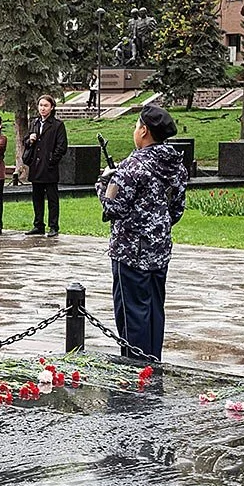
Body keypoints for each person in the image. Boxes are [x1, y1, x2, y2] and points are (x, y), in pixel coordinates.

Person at [99, 102, 187, 361]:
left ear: (145, 131)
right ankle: (153, 364)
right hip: (159, 251)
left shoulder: (133, 166)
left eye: (136, 125)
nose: (134, 130)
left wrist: (104, 182)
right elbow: (176, 211)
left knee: (132, 314)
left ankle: (135, 369)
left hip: (130, 253)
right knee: (154, 310)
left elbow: (113, 206)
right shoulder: (175, 166)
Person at [21, 93, 67, 237]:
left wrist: (51, 160)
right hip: (36, 166)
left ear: (52, 107)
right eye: (41, 105)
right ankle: (38, 224)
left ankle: (54, 226)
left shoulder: (57, 125)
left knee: (52, 198)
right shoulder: (34, 123)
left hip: (49, 167)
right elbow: (26, 141)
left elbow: (62, 146)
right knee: (37, 197)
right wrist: (30, 140)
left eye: (46, 106)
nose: (43, 108)